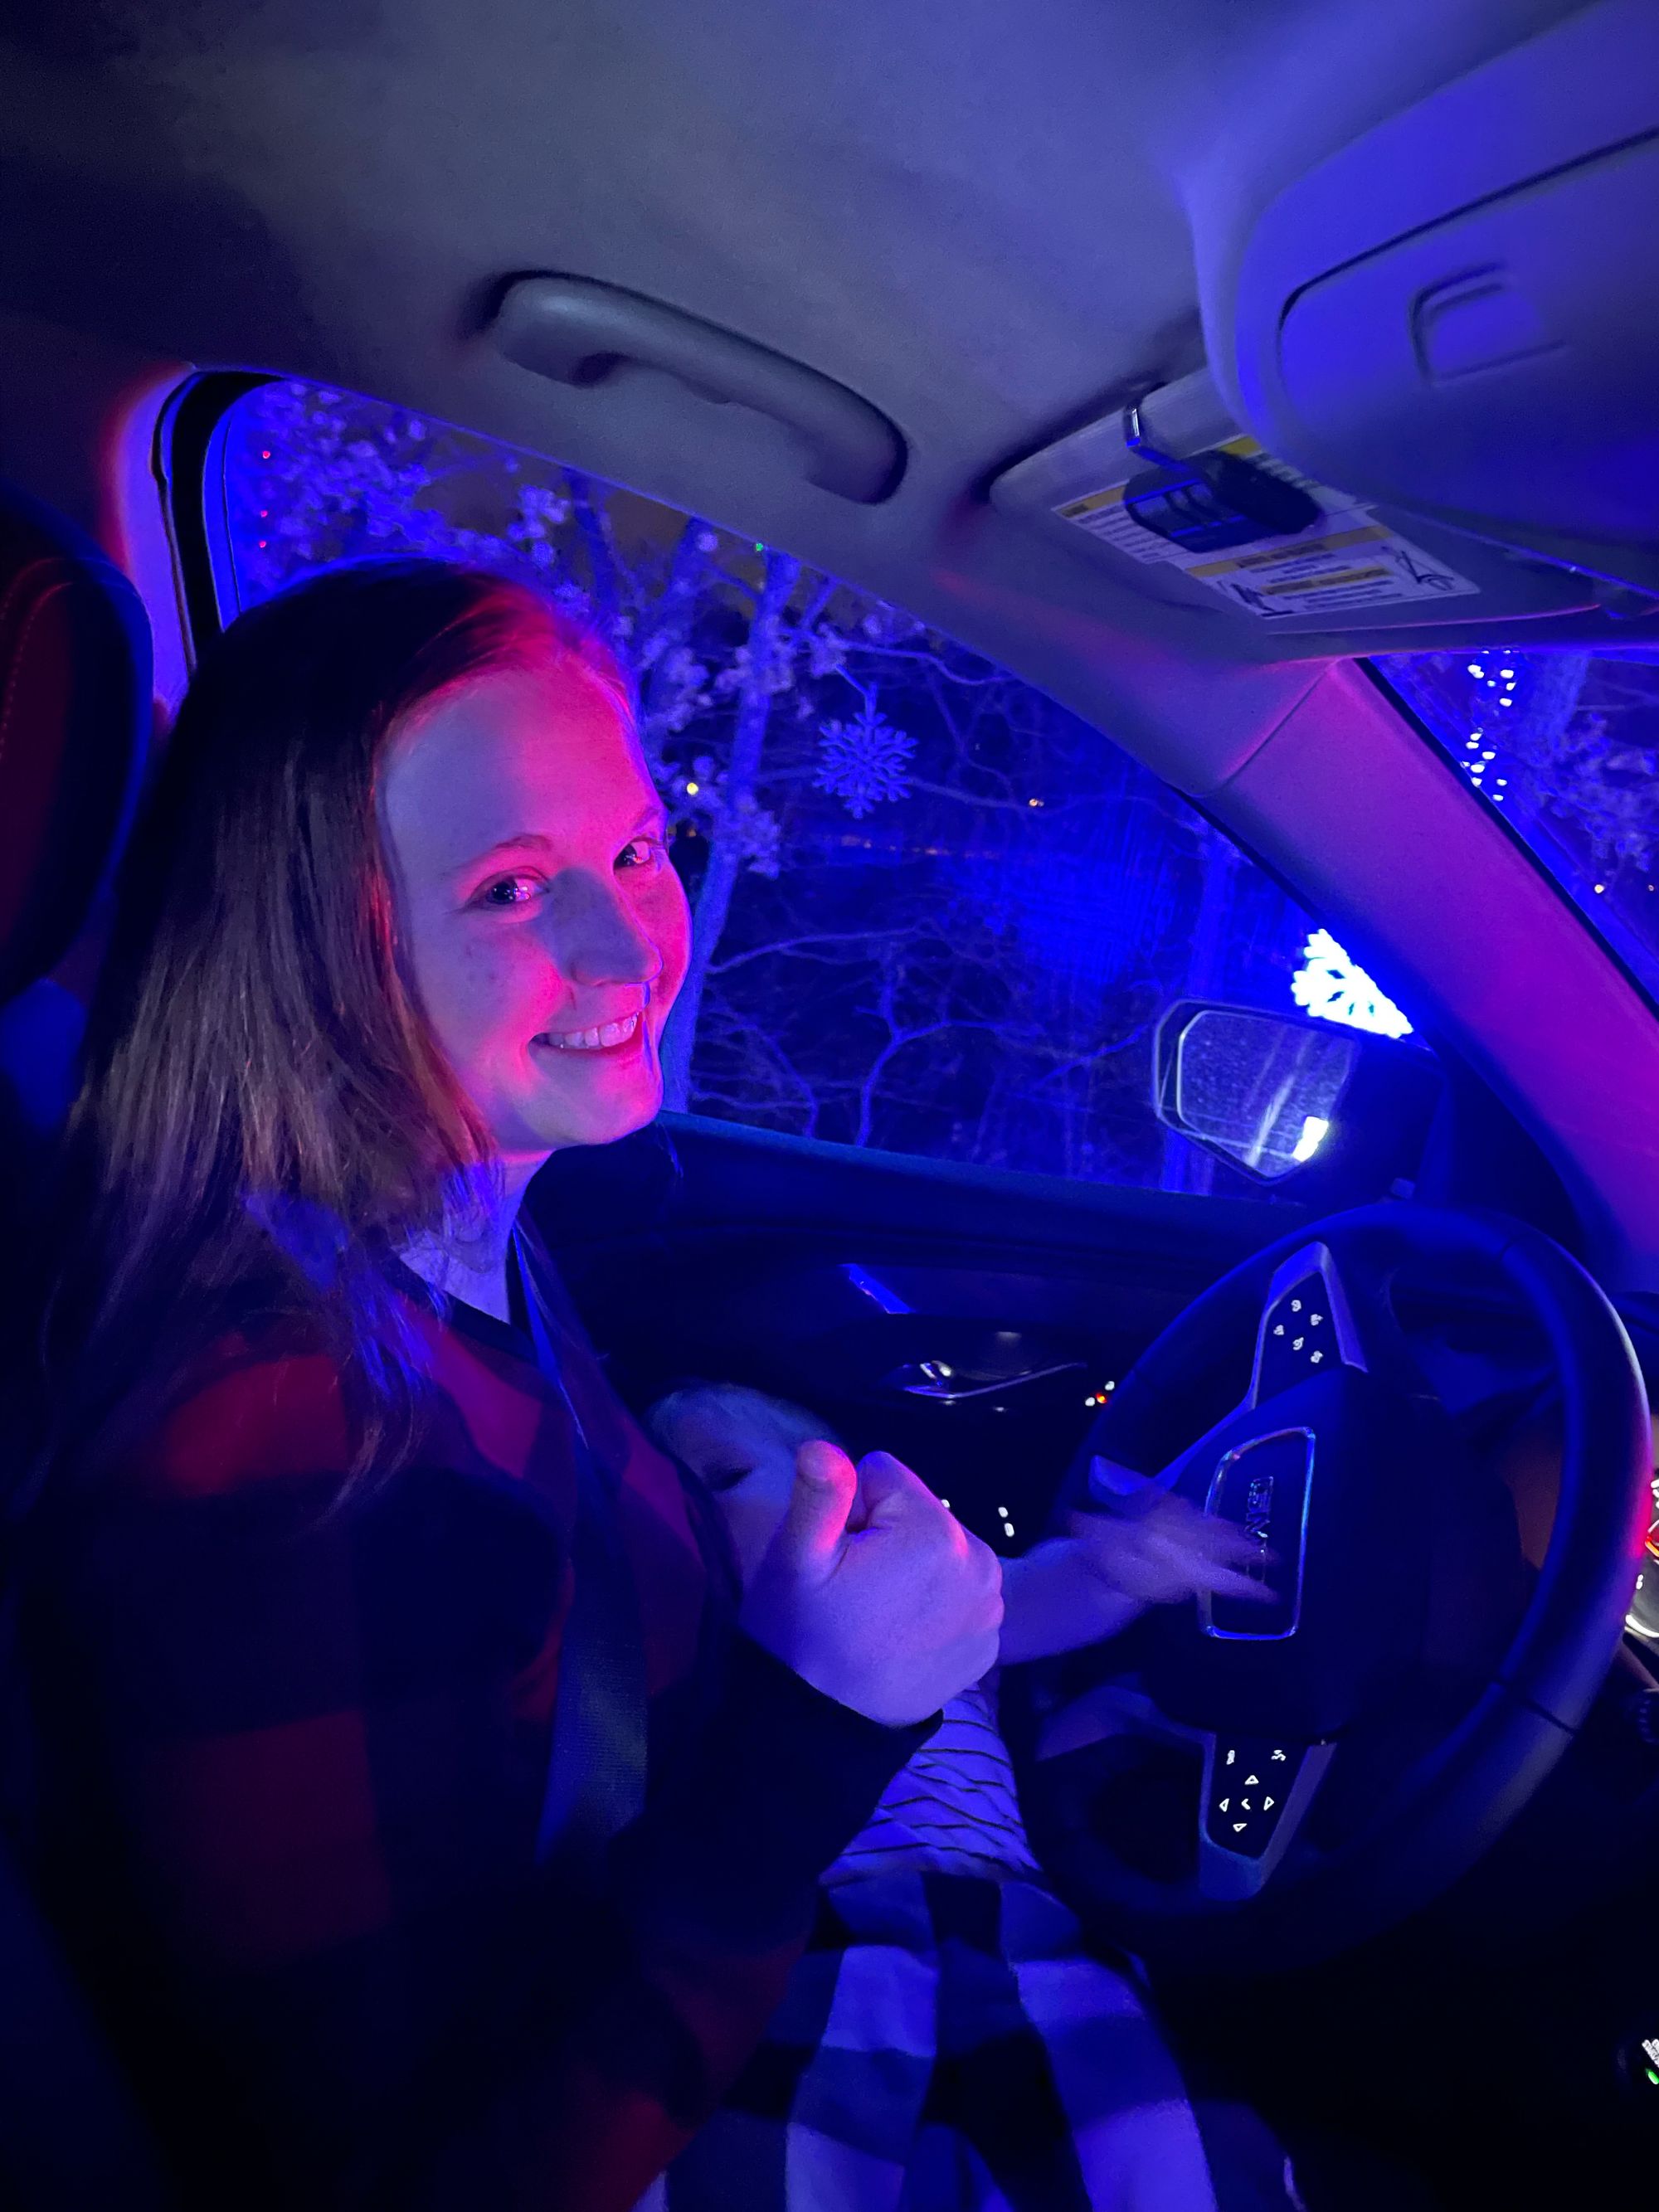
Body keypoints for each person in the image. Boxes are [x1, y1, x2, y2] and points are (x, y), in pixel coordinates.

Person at [9, 561, 1004, 2212]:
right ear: (309, 950)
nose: (629, 943)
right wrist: (816, 1732)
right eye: (509, 888)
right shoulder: (274, 1455)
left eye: (635, 849)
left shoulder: (447, 1228)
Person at [641, 1383, 1300, 2212]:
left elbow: (1031, 1597)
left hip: (1023, 1926)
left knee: (1148, 2143)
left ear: (848, 1494)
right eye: (661, 1497)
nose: (689, 1510)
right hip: (806, 1942)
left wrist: (1113, 1568)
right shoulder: (678, 1662)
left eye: (723, 1477)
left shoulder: (923, 1598)